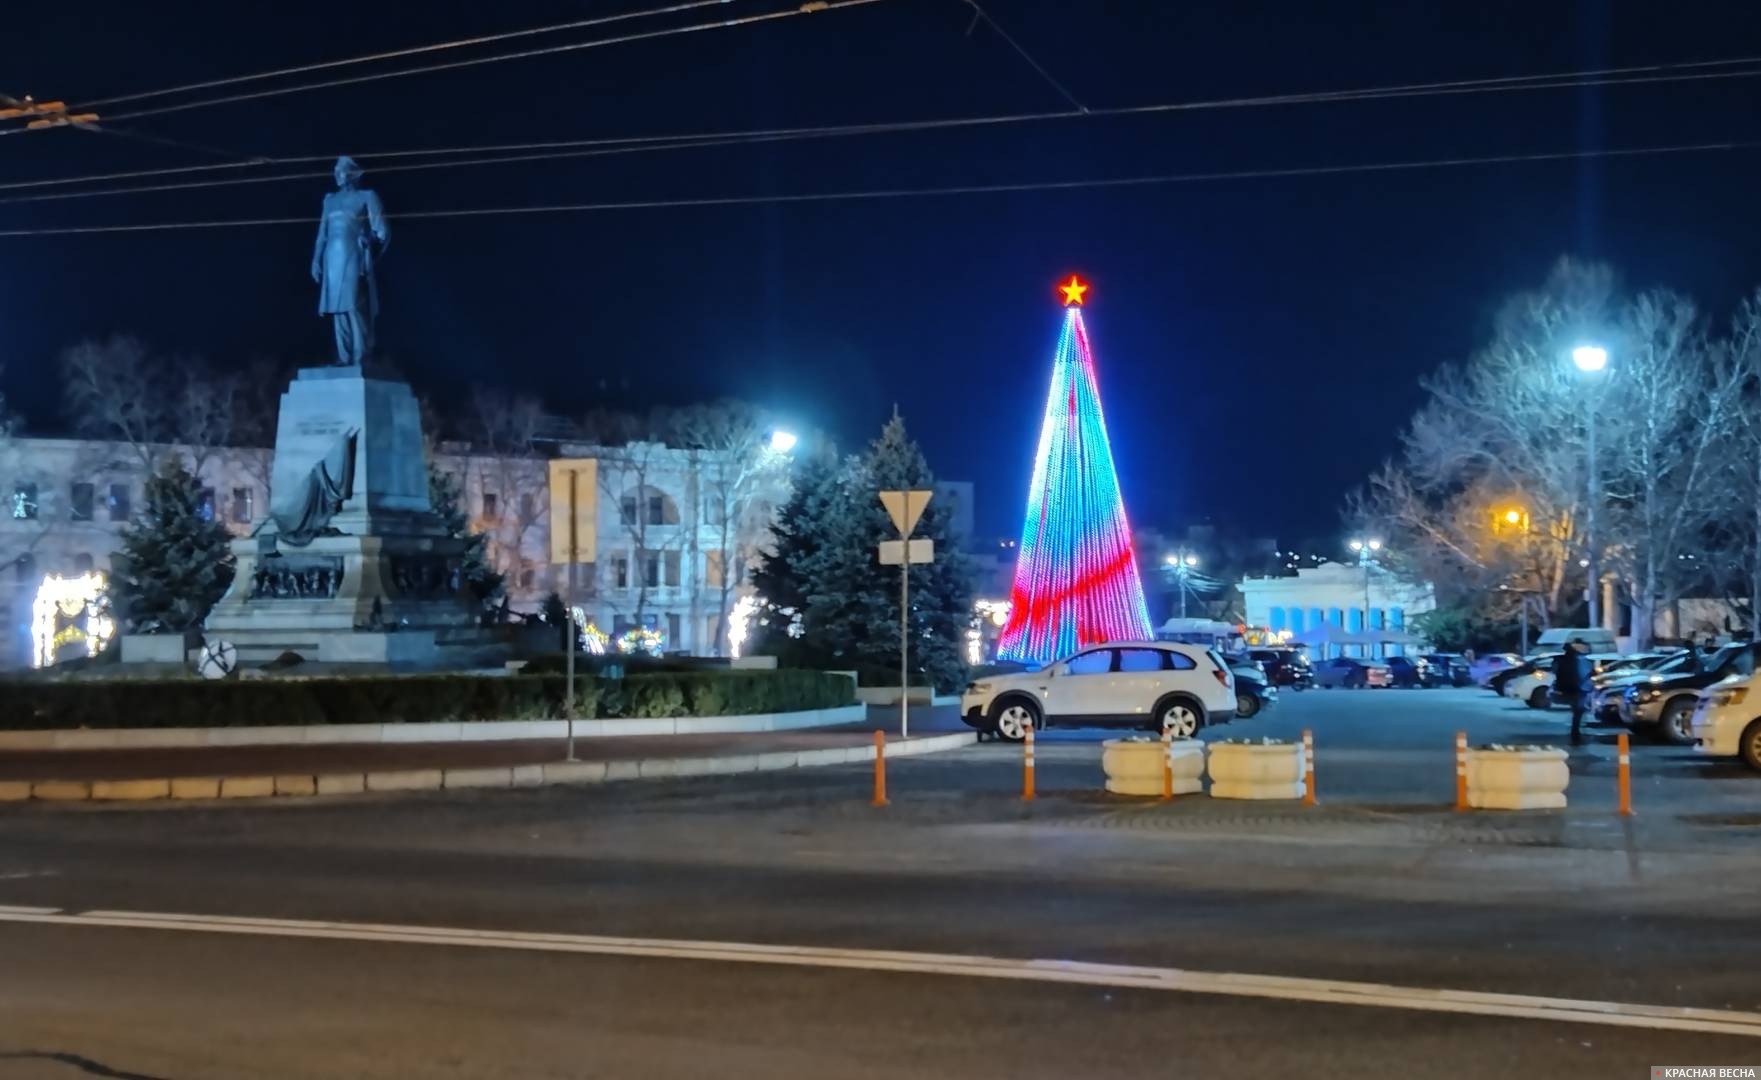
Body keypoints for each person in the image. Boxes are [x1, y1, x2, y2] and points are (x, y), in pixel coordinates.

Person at [1555, 637, 1593, 745]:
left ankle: (1576, 734)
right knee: (1578, 711)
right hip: (1577, 688)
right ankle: (1575, 735)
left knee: (1578, 712)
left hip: (1574, 688)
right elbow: (1580, 674)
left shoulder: (1566, 660)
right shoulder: (1575, 660)